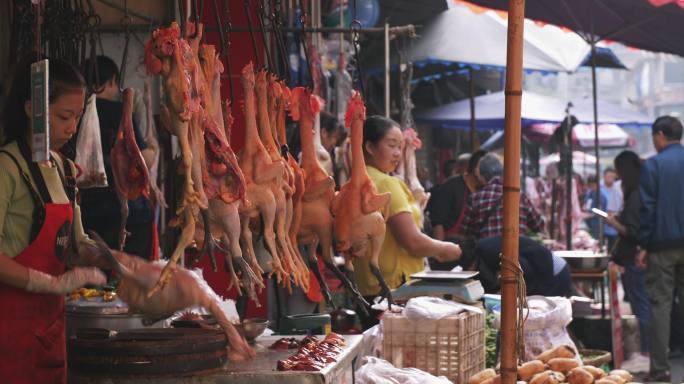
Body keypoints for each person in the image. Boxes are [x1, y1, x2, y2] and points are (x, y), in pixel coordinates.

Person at [0, 55, 108, 382]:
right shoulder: (7, 168)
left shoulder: (63, 169)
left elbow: (76, 246)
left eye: (77, 117)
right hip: (10, 333)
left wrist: (106, 259)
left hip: (50, 332)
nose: (72, 128)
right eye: (64, 116)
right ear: (33, 110)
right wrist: (51, 283)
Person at [352, 116, 461, 328]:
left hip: (367, 287)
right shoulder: (386, 183)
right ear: (370, 147)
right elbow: (412, 241)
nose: (396, 153)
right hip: (393, 289)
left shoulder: (357, 181)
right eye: (391, 145)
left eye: (400, 147)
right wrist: (447, 248)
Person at [77, 56, 155, 259]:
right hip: (131, 216)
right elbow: (143, 159)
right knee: (133, 283)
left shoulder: (76, 113)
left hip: (88, 215)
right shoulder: (118, 111)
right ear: (112, 81)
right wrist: (153, 150)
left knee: (94, 284)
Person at [638, 115, 684, 382]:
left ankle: (661, 369)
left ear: (659, 135)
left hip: (662, 246)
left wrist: (644, 243)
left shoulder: (654, 165)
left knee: (660, 305)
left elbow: (648, 209)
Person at [605, 150, 649, 372]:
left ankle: (646, 353)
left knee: (641, 305)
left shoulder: (635, 196)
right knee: (642, 304)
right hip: (636, 257)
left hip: (634, 257)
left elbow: (632, 232)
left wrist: (614, 224)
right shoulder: (641, 191)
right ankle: (647, 352)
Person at [460, 153, 545, 241]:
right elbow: (539, 225)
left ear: (481, 177)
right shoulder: (519, 196)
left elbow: (464, 231)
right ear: (503, 173)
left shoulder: (475, 198)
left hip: (486, 253)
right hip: (515, 253)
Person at [426, 150, 488, 270]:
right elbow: (437, 222)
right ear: (476, 169)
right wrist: (441, 253)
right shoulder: (451, 186)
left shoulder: (485, 189)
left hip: (472, 253)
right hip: (450, 250)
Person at [475, 236, 572, 297]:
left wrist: (521, 295)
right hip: (545, 270)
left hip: (555, 273)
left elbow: (524, 270)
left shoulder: (490, 253)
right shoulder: (483, 249)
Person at [602, 167, 622, 249]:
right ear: (604, 177)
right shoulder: (599, 189)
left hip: (617, 227)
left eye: (612, 177)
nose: (610, 179)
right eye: (608, 176)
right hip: (604, 226)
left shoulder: (619, 187)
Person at [582, 175, 608, 240]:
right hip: (588, 225)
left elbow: (603, 213)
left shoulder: (601, 196)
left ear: (597, 184)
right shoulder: (589, 193)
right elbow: (586, 204)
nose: (592, 187)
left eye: (593, 185)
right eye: (590, 186)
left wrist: (592, 214)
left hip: (597, 226)